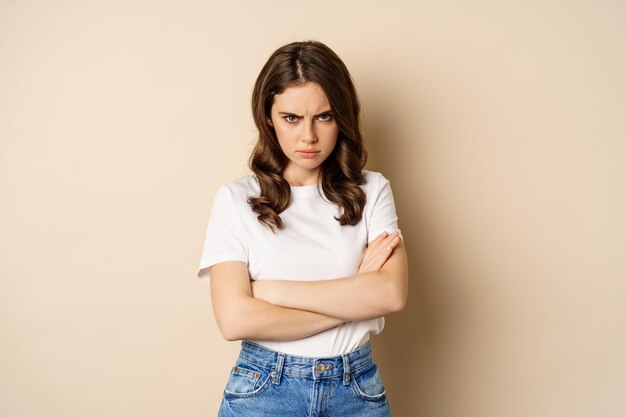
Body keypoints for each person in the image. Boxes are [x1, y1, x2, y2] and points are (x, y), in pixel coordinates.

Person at [197, 40, 408, 417]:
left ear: (341, 117)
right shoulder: (236, 199)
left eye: (323, 116)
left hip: (355, 389)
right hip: (264, 388)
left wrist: (271, 291)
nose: (308, 137)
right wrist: (353, 301)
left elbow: (390, 293)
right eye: (291, 118)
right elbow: (234, 319)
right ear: (268, 118)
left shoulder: (372, 190)